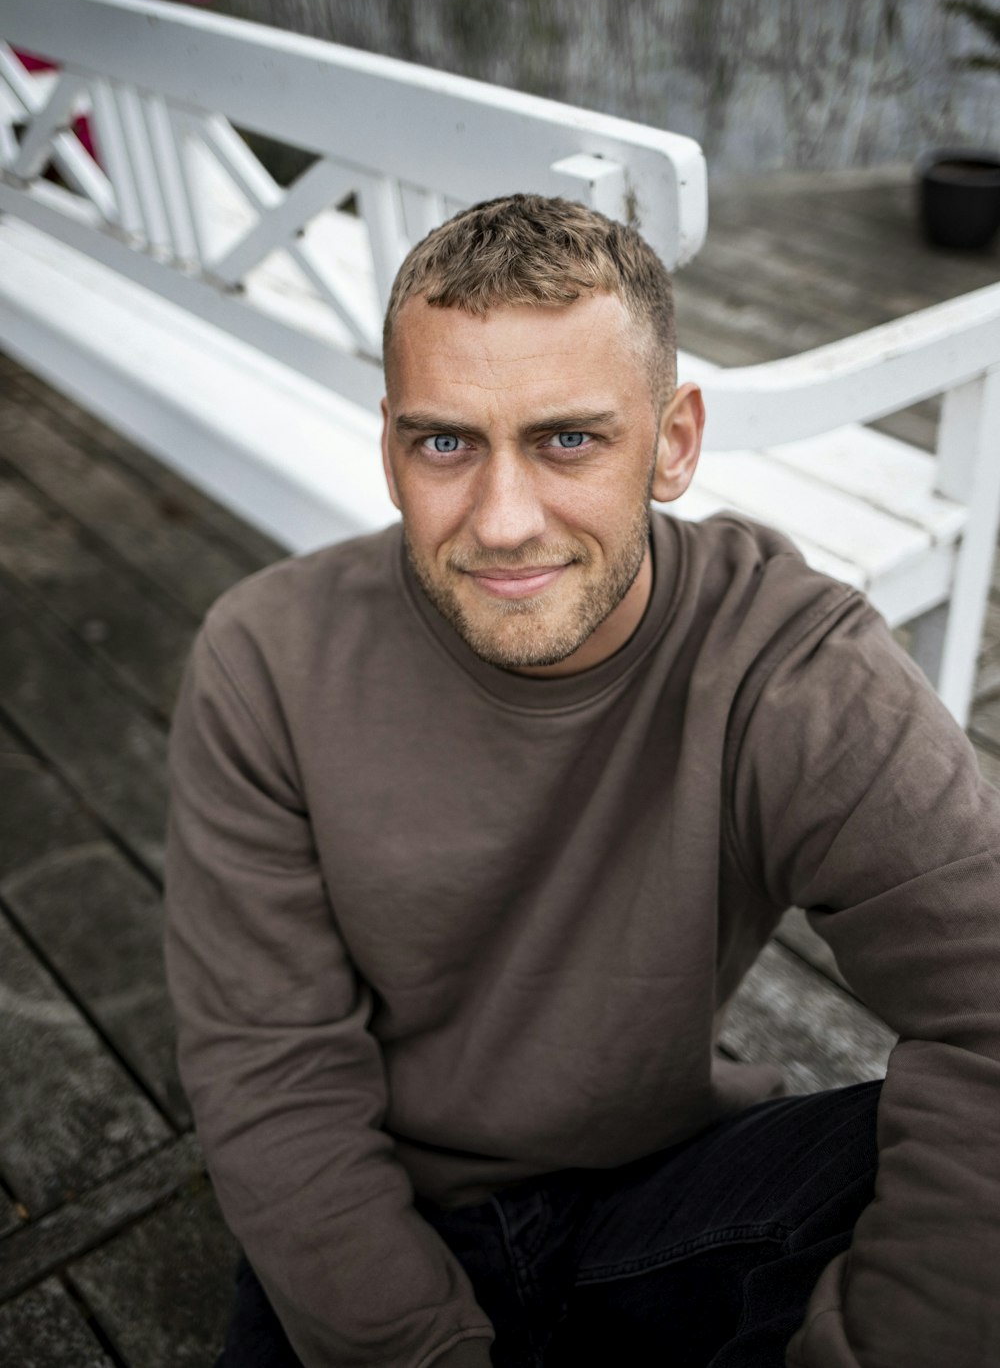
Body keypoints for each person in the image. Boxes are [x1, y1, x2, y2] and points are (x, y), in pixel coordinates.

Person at [163, 194, 1000, 1368]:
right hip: (385, 1215)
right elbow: (271, 1072)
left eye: (567, 438)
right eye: (446, 440)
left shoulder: (789, 665)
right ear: (392, 445)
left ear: (674, 442)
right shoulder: (266, 659)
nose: (503, 522)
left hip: (660, 1195)